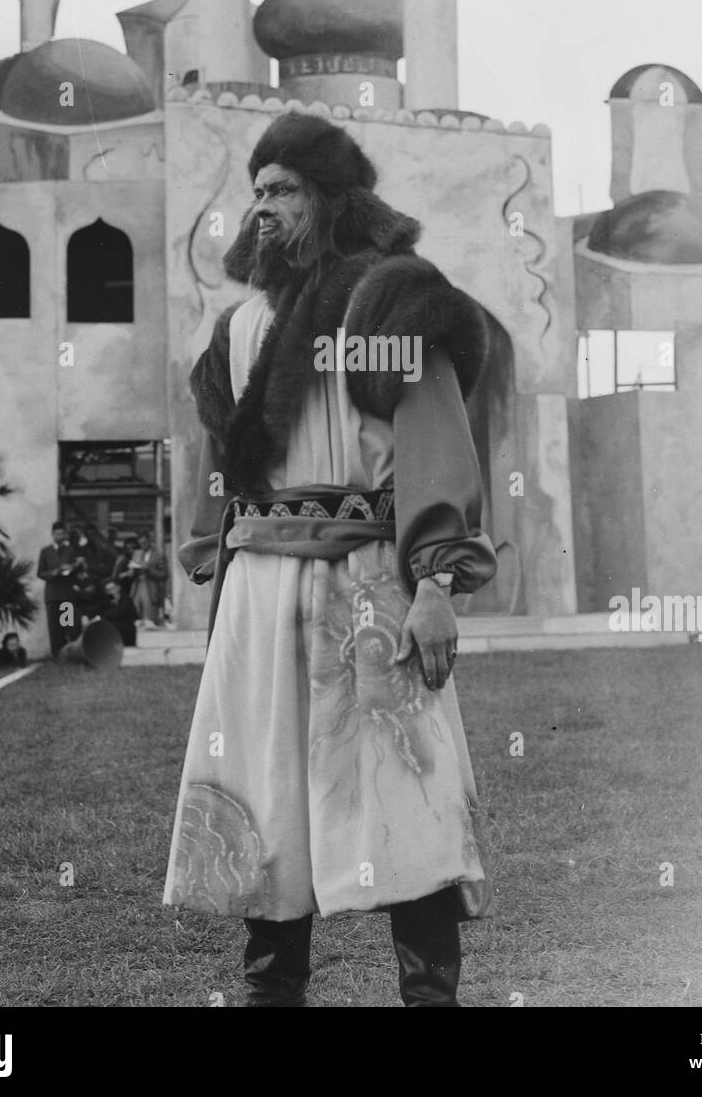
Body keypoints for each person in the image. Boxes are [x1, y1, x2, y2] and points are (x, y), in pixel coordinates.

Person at [164, 112, 497, 1008]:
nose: (263, 206)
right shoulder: (239, 328)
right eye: (257, 190)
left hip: (370, 586)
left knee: (407, 799)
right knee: (267, 801)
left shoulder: (387, 304)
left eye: (284, 190)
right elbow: (226, 463)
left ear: (330, 200)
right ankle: (275, 995)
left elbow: (433, 441)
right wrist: (215, 552)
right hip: (263, 594)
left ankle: (430, 999)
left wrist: (434, 585)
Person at [35, 521, 76, 658]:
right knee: (54, 628)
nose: (60, 536)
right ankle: (57, 655)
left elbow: (76, 571)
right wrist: (55, 572)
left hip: (66, 595)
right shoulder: (46, 551)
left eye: (62, 533)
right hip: (52, 596)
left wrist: (73, 568)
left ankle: (70, 654)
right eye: (57, 534)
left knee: (68, 625)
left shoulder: (70, 550)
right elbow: (40, 573)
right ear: (53, 534)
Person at [130, 530, 168, 628]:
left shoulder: (158, 554)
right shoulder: (137, 553)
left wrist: (148, 569)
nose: (142, 545)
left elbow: (164, 574)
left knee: (149, 617)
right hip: (138, 585)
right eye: (140, 543)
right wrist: (132, 570)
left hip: (151, 586)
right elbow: (132, 573)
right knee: (136, 613)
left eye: (144, 543)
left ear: (149, 541)